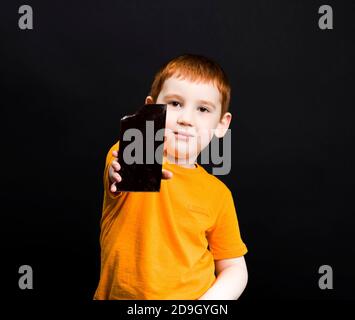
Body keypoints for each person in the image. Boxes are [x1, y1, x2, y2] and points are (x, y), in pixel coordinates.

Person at [94, 54, 248, 300]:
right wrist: (119, 171)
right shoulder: (133, 154)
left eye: (203, 109)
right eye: (175, 104)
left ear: (221, 124)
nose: (186, 119)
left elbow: (234, 267)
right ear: (151, 108)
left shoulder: (218, 194)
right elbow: (120, 166)